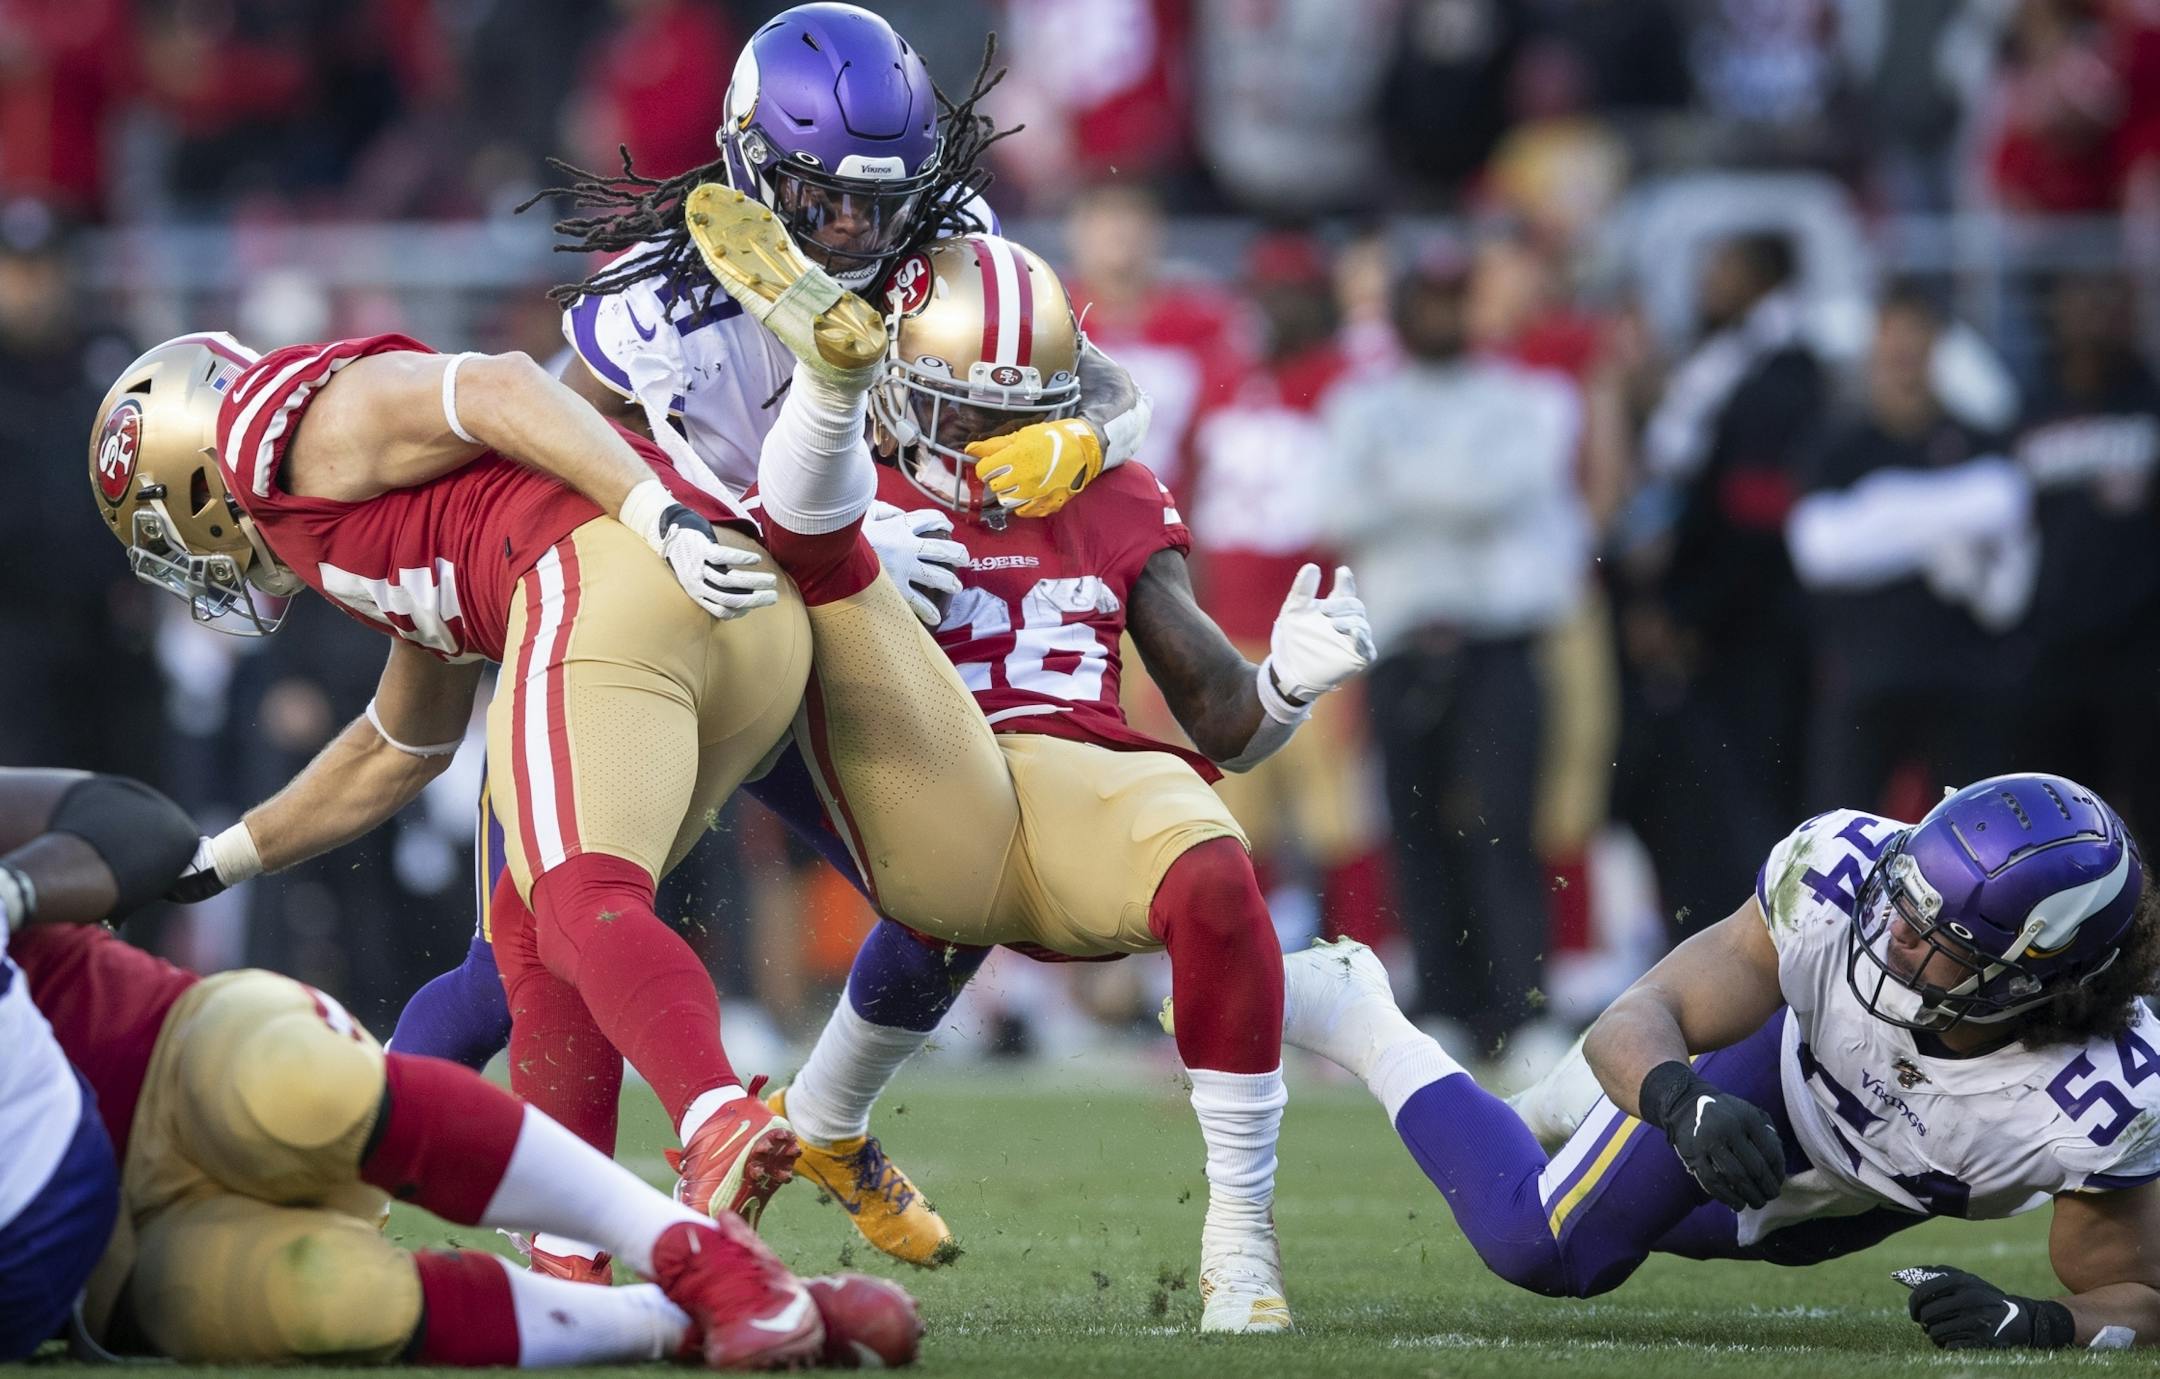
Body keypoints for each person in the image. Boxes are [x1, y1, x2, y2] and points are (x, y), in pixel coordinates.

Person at [680, 215, 1372, 1330]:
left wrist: (1284, 685)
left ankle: (1240, 1236)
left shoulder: (1106, 490)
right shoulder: (847, 475)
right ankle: (724, 1139)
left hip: (1071, 777)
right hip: (891, 771)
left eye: (1013, 412)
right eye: (957, 404)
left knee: (1211, 874)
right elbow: (738, 575)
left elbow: (1225, 725)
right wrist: (834, 559)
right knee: (934, 865)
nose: (977, 437)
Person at [85, 315, 821, 1318]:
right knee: (526, 947)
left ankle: (714, 1112)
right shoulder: (376, 513)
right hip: (740, 617)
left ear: (197, 471)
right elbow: (401, 744)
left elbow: (503, 384)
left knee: (570, 903)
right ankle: (565, 1255)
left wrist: (653, 517)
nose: (188, 562)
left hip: (619, 570)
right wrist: (218, 860)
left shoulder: (278, 437)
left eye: (167, 523)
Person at [0, 766, 917, 1369]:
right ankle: (690, 1320)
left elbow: (135, 824)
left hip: (153, 1058)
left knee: (292, 1085)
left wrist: (16, 892)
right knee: (327, 1299)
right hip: (81, 1267)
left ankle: (703, 1251)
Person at [1256, 772, 2160, 1351]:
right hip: (1764, 1068)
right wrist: (1678, 1097)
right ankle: (1360, 1012)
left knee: (1628, 1204)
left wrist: (2040, 1323)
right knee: (1551, 1243)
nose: (1893, 935)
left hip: (1841, 1198)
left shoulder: (2102, 1097)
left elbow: (2138, 1291)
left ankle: (1565, 1106)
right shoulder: (1842, 876)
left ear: (2041, 977)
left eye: (1941, 938)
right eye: (1904, 899)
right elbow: (1641, 1014)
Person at [1321, 243, 1589, 1056]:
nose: (1438, 317)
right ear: (1402, 311)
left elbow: (1510, 486)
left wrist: (1401, 482)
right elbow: (1337, 500)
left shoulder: (1528, 396)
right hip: (1403, 639)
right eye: (1425, 301)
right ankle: (1441, 1000)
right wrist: (1448, 485)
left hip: (1498, 639)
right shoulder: (1359, 401)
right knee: (1414, 827)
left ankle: (1523, 1007)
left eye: (1452, 300)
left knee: (1507, 827)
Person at [1786, 288, 2035, 816]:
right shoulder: (1838, 445)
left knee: (1980, 838)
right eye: (1891, 344)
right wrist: (1942, 524)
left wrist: (1875, 518)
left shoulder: (1976, 436)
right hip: (1862, 679)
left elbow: (2005, 504)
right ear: (1872, 350)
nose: (1902, 359)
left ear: (1936, 348)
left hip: (1964, 679)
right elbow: (1820, 550)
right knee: (1838, 839)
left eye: (1914, 343)